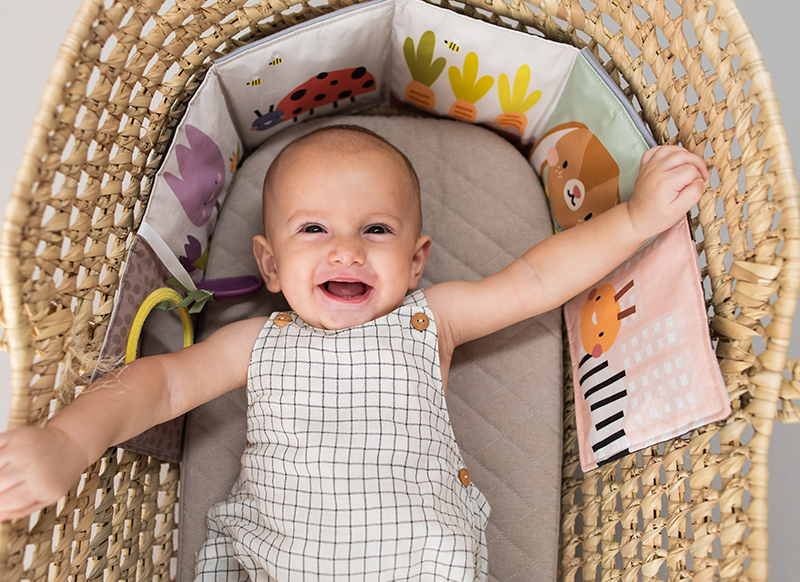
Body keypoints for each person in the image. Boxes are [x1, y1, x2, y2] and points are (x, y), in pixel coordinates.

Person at [0, 125, 708, 580]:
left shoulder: (435, 319)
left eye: (375, 228)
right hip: (286, 561)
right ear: (270, 266)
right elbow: (156, 388)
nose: (345, 249)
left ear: (416, 259)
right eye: (313, 229)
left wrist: (638, 217)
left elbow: (537, 280)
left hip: (422, 561)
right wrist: (69, 439)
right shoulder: (255, 342)